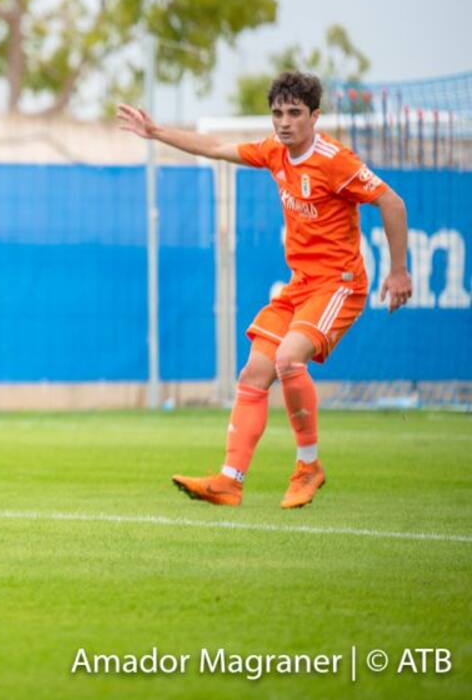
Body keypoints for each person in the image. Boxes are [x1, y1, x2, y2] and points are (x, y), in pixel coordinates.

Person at [118, 71, 411, 508]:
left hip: (339, 285)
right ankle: (229, 481)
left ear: (315, 116)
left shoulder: (335, 161)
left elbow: (392, 201)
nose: (284, 122)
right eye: (278, 113)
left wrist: (399, 271)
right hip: (300, 285)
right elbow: (216, 147)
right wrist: (157, 131)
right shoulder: (275, 151)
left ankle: (308, 466)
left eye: (294, 113)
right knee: (254, 373)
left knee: (289, 359)